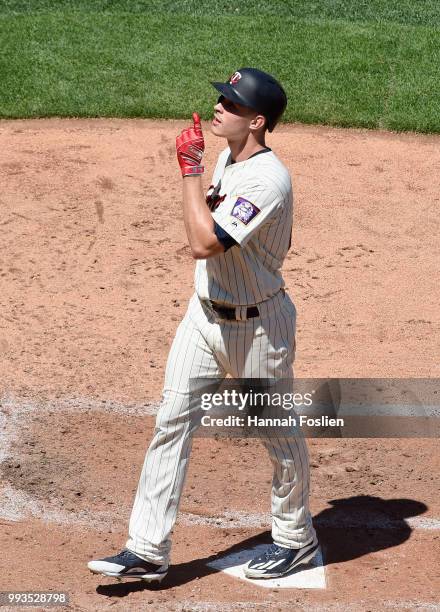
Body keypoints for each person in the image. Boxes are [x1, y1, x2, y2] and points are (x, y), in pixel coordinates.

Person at [88, 67, 318, 582]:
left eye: (232, 104)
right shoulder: (226, 159)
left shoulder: (266, 179)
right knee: (171, 422)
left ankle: (295, 539)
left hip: (258, 330)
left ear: (257, 121)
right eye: (221, 99)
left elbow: (203, 242)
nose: (219, 107)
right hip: (203, 316)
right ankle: (146, 547)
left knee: (276, 436)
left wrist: (188, 169)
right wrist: (200, 168)